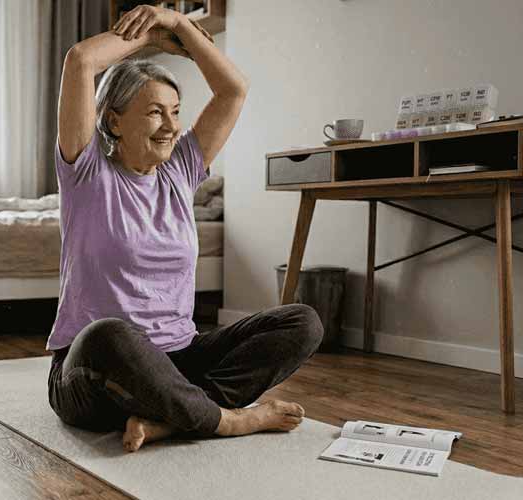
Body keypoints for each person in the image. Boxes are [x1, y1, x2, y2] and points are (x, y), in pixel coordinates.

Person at [47, 4, 324, 453]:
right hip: (93, 375)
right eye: (156, 112)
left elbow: (234, 89)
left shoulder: (180, 171)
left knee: (302, 321)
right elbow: (80, 60)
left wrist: (176, 23)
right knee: (107, 333)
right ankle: (227, 421)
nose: (172, 127)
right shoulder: (87, 172)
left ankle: (175, 419)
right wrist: (151, 38)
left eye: (176, 112)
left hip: (177, 360)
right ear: (113, 120)